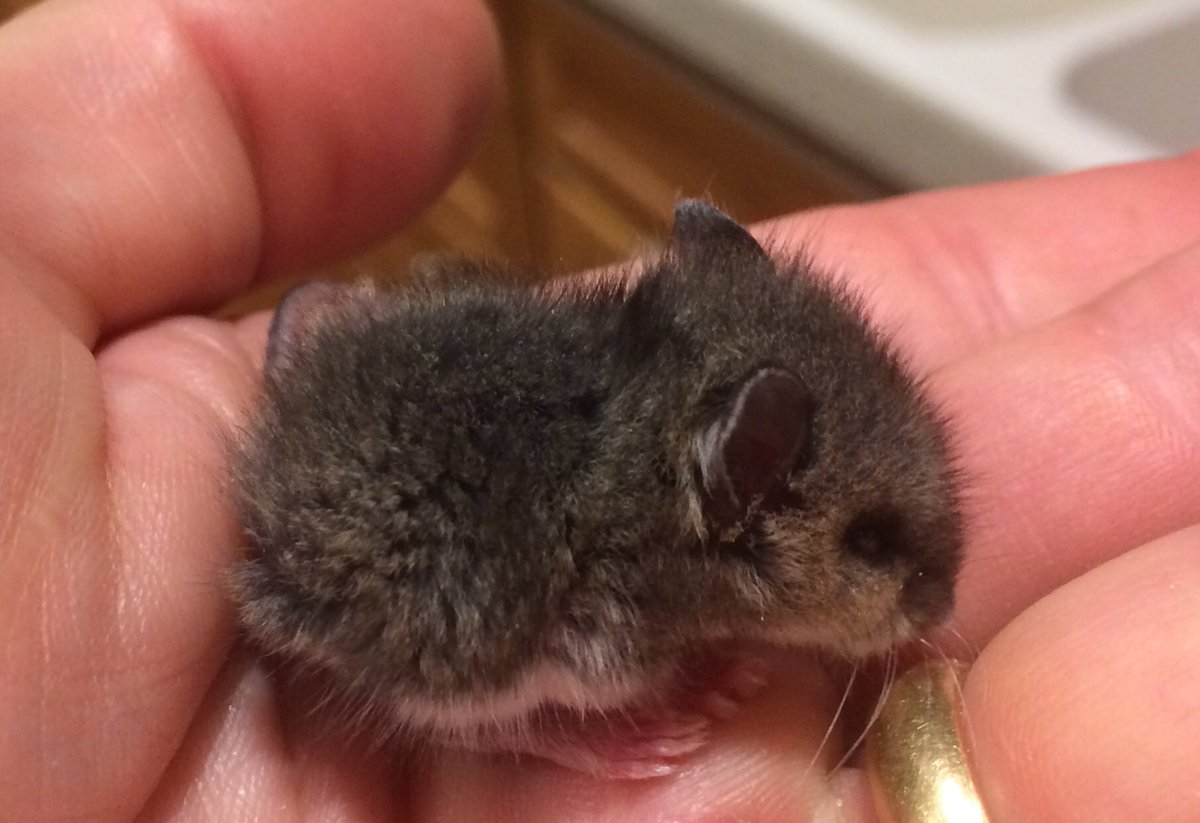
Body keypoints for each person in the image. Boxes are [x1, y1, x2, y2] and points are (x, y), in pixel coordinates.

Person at [1, 0, 1197, 820]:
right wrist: (579, 719)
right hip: (383, 571)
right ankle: (503, 727)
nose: (921, 592)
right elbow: (590, 635)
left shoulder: (685, 475)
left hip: (392, 443)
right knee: (528, 641)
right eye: (871, 542)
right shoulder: (643, 579)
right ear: (740, 484)